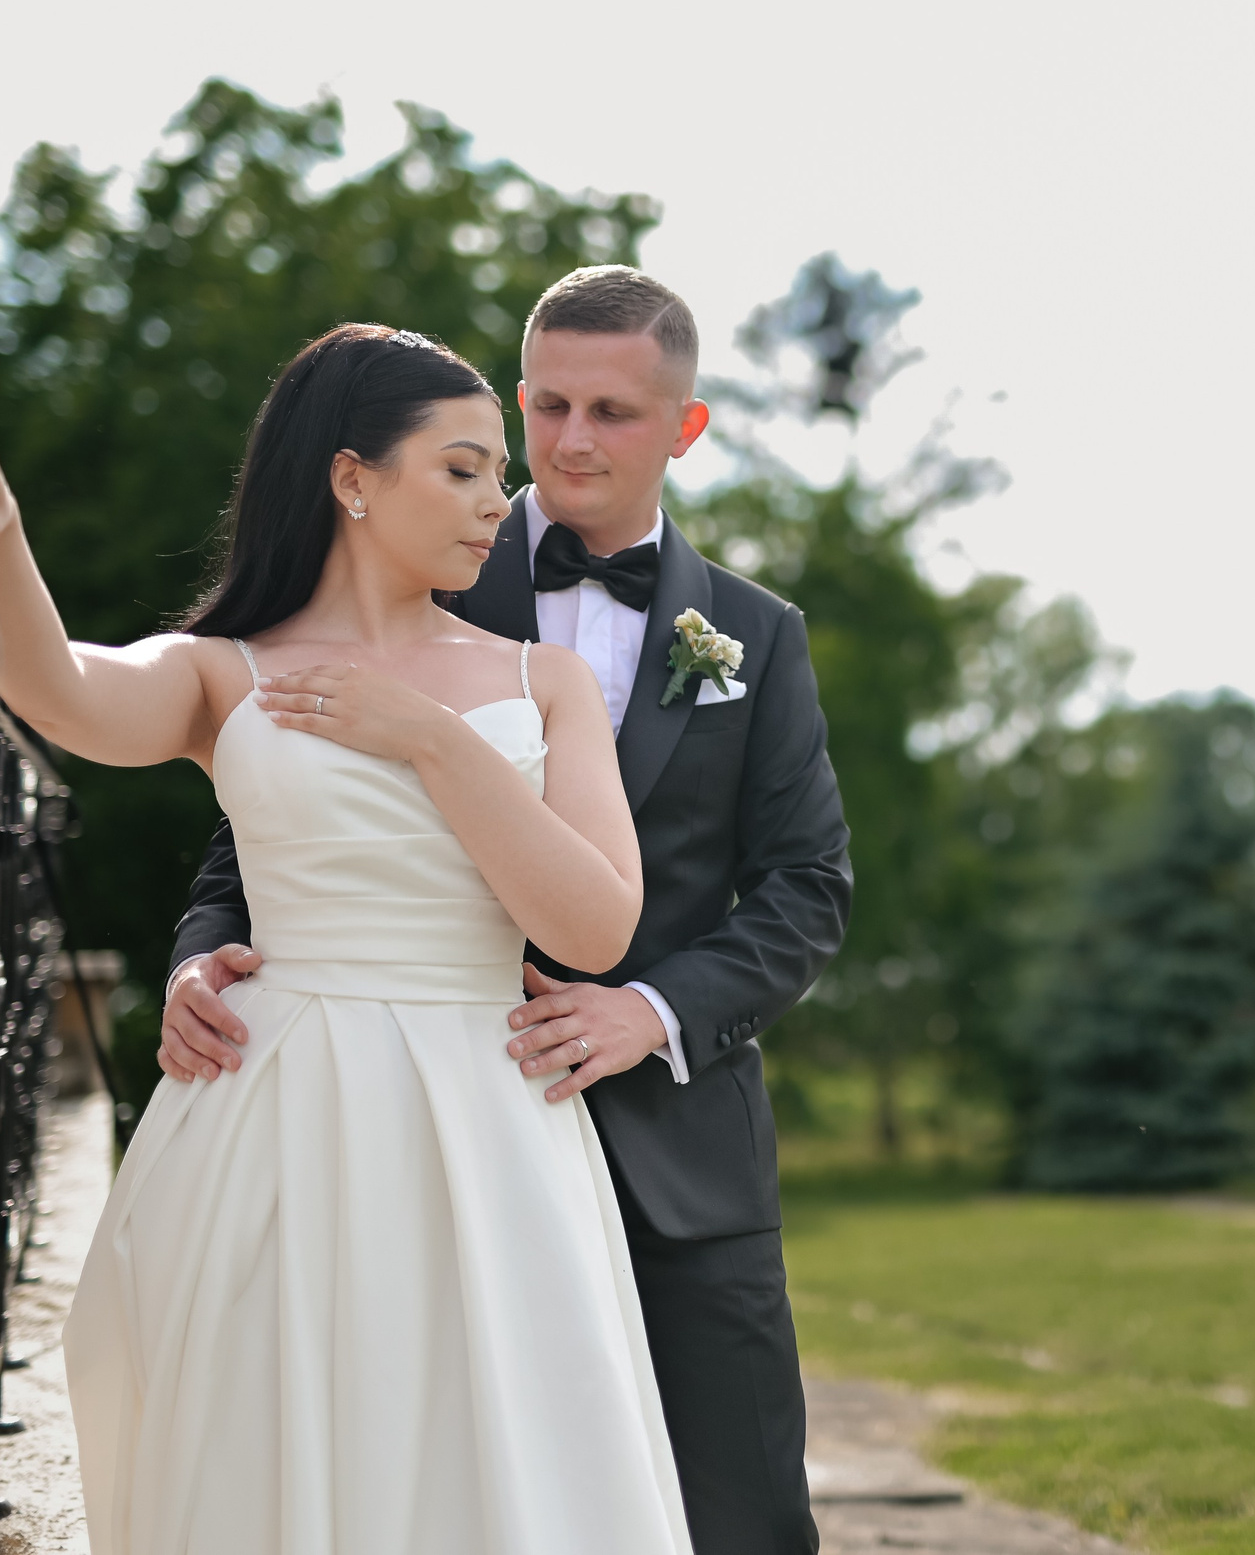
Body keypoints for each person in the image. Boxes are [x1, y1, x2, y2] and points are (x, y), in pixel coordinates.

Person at [0, 323, 694, 1551]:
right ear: (351, 478)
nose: (495, 502)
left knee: (493, 1454)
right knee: (269, 1443)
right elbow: (60, 688)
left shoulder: (543, 680)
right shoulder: (222, 671)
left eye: (496, 474)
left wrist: (429, 739)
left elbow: (595, 926)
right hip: (271, 1109)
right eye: (461, 468)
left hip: (487, 1119)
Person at [162, 268, 848, 1554]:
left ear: (686, 427)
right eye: (548, 404)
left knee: (743, 1516)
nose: (570, 441)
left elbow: (806, 884)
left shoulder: (755, 633)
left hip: (679, 1154)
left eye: (613, 412)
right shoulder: (406, 571)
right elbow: (255, 812)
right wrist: (201, 960)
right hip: (418, 1141)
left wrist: (649, 1012)